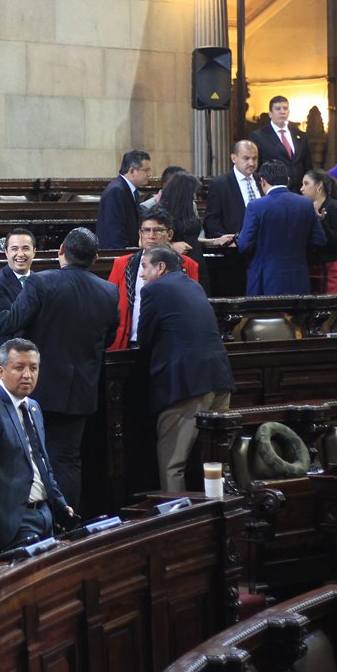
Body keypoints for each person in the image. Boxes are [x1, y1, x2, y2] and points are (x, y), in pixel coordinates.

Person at [0, 229, 117, 513]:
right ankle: (68, 520)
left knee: (31, 454)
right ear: (95, 258)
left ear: (61, 251)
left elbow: (11, 321)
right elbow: (108, 339)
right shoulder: (109, 290)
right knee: (69, 459)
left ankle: (34, 521)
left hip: (40, 387)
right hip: (82, 389)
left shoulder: (41, 283)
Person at [0, 339, 75, 553]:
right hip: (12, 521)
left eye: (33, 368)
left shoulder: (33, 407)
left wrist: (59, 503)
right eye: (19, 368)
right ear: (1, 371)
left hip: (45, 516)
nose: (27, 375)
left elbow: (42, 463)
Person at [137, 247, 234, 492]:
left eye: (145, 266)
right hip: (219, 377)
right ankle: (219, 514)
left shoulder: (154, 290)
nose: (142, 274)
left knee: (172, 462)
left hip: (187, 383)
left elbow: (144, 338)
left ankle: (177, 524)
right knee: (214, 459)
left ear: (160, 267)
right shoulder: (194, 285)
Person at [107, 207, 200, 351]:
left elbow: (192, 306)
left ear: (169, 234)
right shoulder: (122, 263)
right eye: (146, 230)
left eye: (157, 230)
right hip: (129, 342)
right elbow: (110, 303)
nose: (151, 236)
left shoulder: (188, 265)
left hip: (171, 344)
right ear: (140, 234)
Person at [235, 159, 326, 296]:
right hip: (298, 277)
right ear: (287, 180)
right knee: (297, 317)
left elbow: (244, 245)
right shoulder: (306, 204)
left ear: (263, 181)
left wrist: (237, 237)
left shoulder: (256, 206)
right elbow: (320, 240)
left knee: (267, 317)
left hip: (265, 279)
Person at [0, 228, 36, 386]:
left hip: (34, 357)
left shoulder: (41, 281)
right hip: (6, 358)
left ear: (34, 252)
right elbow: (9, 322)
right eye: (14, 249)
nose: (20, 254)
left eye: (25, 248)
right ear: (6, 252)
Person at [301, 169, 337, 294]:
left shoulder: (336, 207)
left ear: (319, 186)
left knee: (329, 311)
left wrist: (321, 222)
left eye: (306, 184)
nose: (301, 189)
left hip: (330, 269)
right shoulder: (305, 208)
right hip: (309, 268)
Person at [95, 150, 152, 250]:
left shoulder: (130, 189)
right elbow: (114, 229)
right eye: (146, 170)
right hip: (115, 253)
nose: (149, 174)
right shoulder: (116, 190)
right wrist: (124, 255)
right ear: (132, 171)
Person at [204, 140, 260, 238]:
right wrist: (227, 240)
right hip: (235, 247)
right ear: (234, 158)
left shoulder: (262, 181)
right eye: (246, 158)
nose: (251, 163)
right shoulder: (220, 184)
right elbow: (212, 220)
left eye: (254, 158)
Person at [249, 95, 309, 185]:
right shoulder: (259, 136)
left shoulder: (300, 135)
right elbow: (256, 166)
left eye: (285, 108)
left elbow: (307, 164)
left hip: (299, 191)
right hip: (273, 189)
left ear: (288, 112)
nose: (282, 112)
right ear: (270, 114)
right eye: (278, 109)